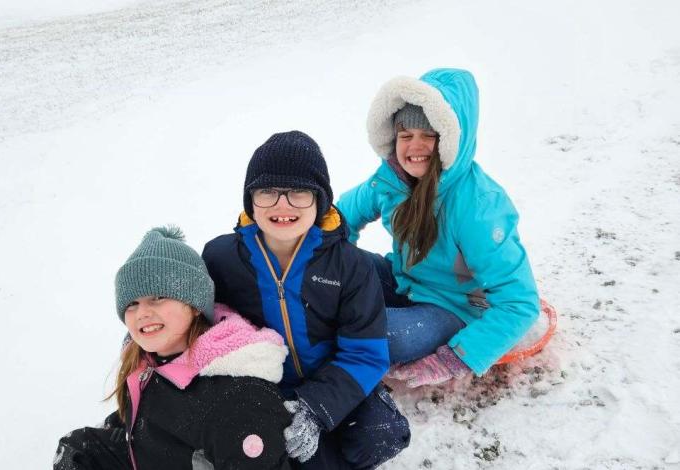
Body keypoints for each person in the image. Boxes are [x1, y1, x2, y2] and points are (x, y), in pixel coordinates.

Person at [202, 131, 410, 470]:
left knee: (381, 434)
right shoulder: (221, 258)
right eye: (267, 191)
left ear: (319, 201)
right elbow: (189, 318)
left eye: (298, 192)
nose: (282, 205)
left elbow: (366, 354)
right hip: (263, 389)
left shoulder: (350, 265)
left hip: (333, 377)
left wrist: (316, 406)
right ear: (250, 201)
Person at [336, 68, 540, 387]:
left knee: (375, 334)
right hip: (408, 283)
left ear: (448, 139)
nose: (415, 146)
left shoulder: (479, 206)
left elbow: (520, 303)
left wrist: (458, 356)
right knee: (334, 263)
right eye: (406, 135)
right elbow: (339, 219)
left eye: (428, 135)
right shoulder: (392, 181)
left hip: (455, 307)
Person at [54, 226, 293, 470]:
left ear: (195, 304)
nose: (143, 313)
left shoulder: (237, 395)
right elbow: (153, 429)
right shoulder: (148, 364)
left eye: (158, 297)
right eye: (132, 303)